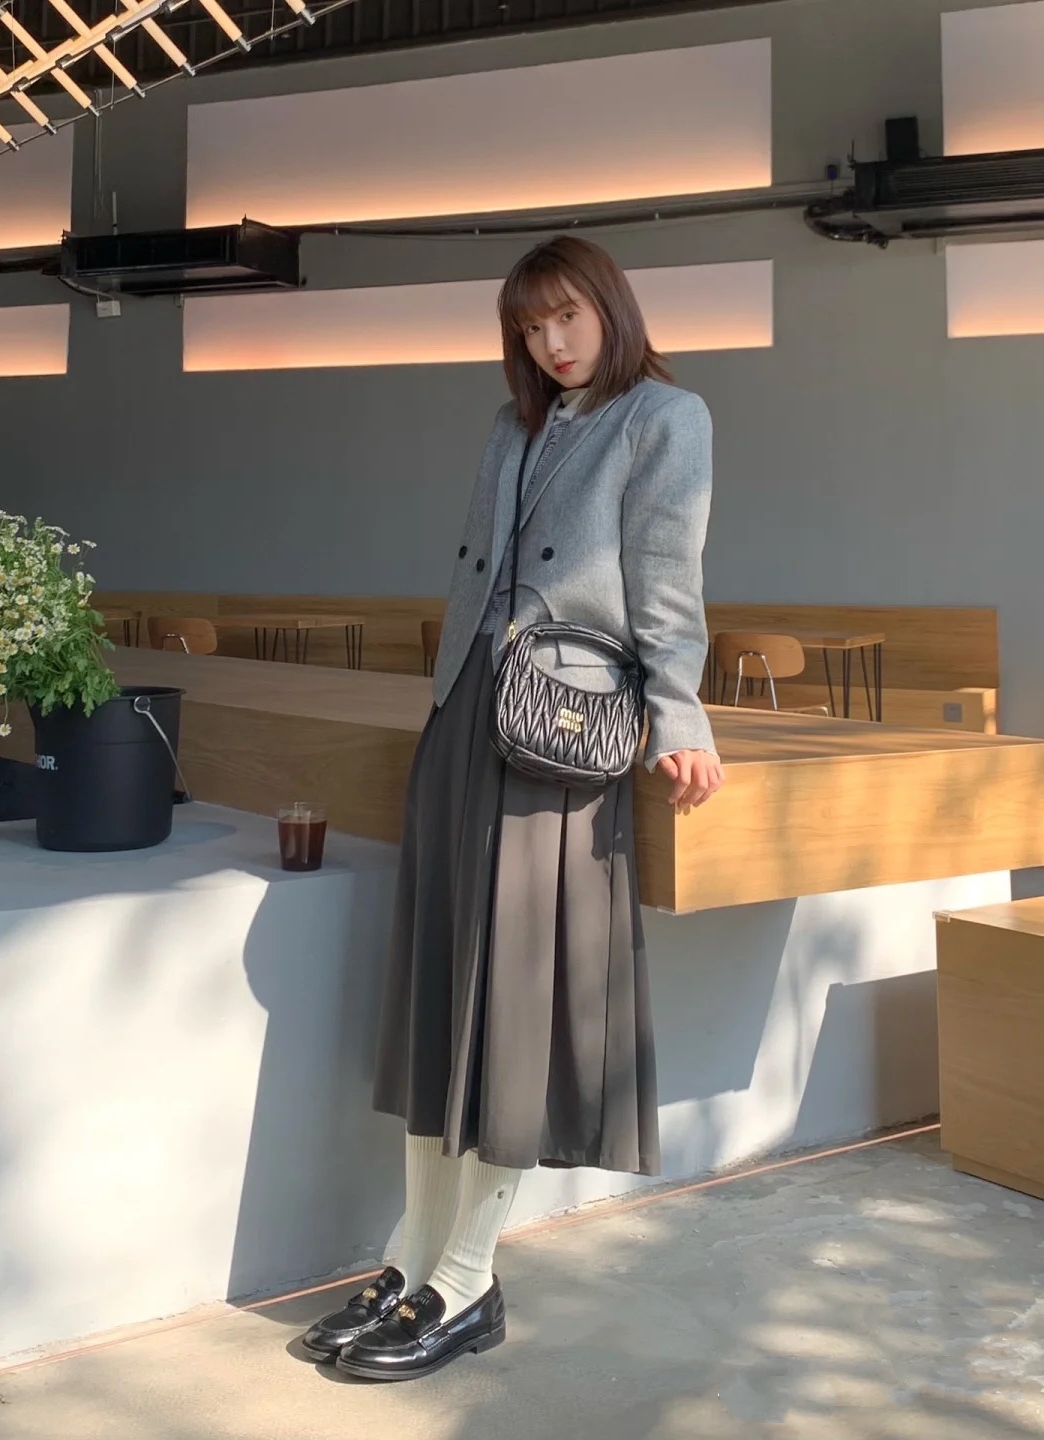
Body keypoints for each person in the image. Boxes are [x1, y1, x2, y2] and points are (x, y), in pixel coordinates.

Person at [301, 235, 724, 1381]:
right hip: (465, 719)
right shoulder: (513, 425)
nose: (551, 342)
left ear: (611, 308)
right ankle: (413, 1255)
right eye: (531, 327)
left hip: (561, 730)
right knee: (448, 994)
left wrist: (679, 718)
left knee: (516, 1005)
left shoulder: (665, 419)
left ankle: (466, 1275)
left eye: (567, 316)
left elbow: (667, 581)